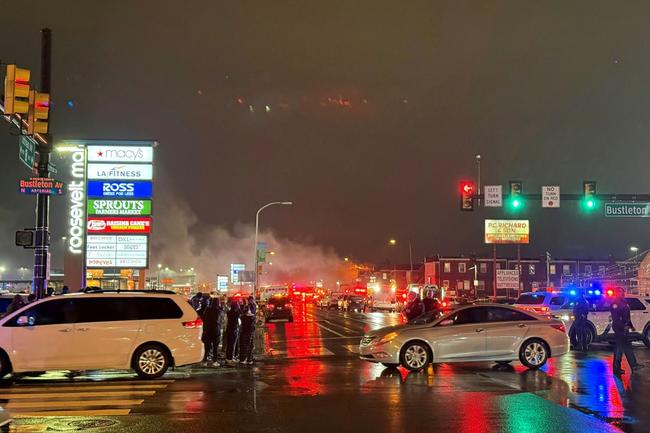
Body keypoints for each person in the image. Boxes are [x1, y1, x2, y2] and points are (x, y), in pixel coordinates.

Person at [610, 288, 640, 375]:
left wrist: (630, 326)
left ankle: (633, 365)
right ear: (617, 293)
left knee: (626, 346)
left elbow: (627, 316)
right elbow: (616, 318)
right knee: (620, 348)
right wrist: (623, 327)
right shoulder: (615, 303)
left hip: (624, 328)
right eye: (620, 292)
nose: (623, 294)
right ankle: (617, 368)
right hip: (620, 328)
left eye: (623, 292)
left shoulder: (623, 302)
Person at [201, 297, 224, 367]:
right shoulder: (219, 311)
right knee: (215, 347)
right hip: (216, 330)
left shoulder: (207, 309)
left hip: (207, 330)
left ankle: (204, 361)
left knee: (207, 347)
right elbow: (221, 320)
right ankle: (215, 361)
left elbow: (203, 318)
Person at [239, 296, 257, 365]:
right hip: (248, 331)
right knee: (249, 345)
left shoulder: (244, 316)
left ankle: (244, 359)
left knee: (245, 345)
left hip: (245, 331)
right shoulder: (251, 317)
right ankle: (248, 359)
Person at [225, 300, 242, 364]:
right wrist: (239, 306)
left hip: (229, 329)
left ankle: (228, 357)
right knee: (232, 345)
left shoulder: (229, 312)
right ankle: (230, 358)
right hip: (234, 330)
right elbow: (241, 312)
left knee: (229, 344)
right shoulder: (236, 313)